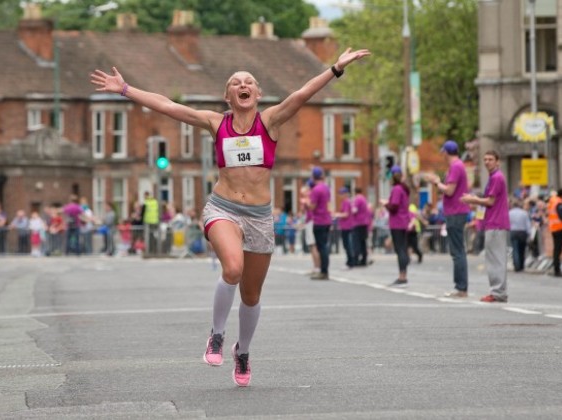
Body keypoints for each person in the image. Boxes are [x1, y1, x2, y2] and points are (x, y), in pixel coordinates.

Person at [90, 46, 371, 387]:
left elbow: (301, 95)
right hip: (223, 208)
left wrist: (336, 69)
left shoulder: (270, 121)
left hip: (259, 216)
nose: (243, 84)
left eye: (249, 81)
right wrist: (125, 89)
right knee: (233, 269)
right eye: (236, 82)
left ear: (258, 93)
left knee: (251, 296)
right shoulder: (215, 122)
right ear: (228, 96)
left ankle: (244, 351)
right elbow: (169, 106)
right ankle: (217, 334)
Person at [460, 150, 510, 303]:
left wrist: (473, 199)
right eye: (485, 159)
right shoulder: (494, 177)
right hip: (493, 222)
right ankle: (497, 291)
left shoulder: (496, 177)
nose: (487, 162)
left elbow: (490, 201)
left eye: (490, 159)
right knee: (494, 257)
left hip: (496, 223)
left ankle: (498, 292)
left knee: (496, 259)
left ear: (497, 161)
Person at [425, 140, 471, 297]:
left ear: (446, 152)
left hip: (455, 211)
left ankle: (461, 287)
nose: (442, 155)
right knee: (458, 250)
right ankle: (461, 286)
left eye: (442, 152)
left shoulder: (455, 166)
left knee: (457, 251)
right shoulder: (458, 166)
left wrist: (437, 182)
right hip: (456, 211)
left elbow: (450, 190)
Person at [382, 165, 410, 287]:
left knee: (400, 250)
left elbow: (394, 207)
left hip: (397, 222)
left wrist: (385, 204)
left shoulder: (396, 189)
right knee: (402, 248)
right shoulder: (403, 188)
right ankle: (403, 274)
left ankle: (402, 276)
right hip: (403, 221)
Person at [308, 166, 333, 280]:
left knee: (321, 247)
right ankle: (324, 270)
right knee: (324, 246)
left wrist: (306, 203)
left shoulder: (316, 189)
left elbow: (312, 206)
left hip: (319, 220)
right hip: (327, 219)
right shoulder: (326, 188)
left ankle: (323, 271)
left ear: (313, 177)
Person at [547, 188, 562, 277]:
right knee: (558, 250)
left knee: (556, 249)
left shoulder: (552, 201)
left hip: (553, 228)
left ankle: (556, 268)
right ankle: (557, 270)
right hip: (559, 228)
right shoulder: (559, 203)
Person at [300, 181, 320, 274]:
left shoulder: (310, 195)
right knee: (312, 245)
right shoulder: (310, 195)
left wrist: (305, 201)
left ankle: (317, 267)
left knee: (313, 245)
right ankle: (316, 267)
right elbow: (303, 210)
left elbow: (309, 206)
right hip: (310, 221)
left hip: (311, 221)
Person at [508, 199, 531, 272]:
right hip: (522, 232)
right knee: (522, 249)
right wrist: (529, 233)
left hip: (514, 231)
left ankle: (516, 265)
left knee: (515, 249)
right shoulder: (524, 213)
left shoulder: (510, 213)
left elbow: (508, 223)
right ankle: (521, 265)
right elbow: (528, 224)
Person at [335, 186, 355, 269]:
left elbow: (346, 214)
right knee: (346, 245)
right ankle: (349, 261)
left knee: (348, 245)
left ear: (346, 194)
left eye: (342, 194)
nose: (340, 195)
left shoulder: (346, 202)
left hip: (347, 226)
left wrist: (337, 215)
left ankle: (350, 262)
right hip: (344, 226)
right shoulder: (344, 202)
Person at [351, 187, 370, 266]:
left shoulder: (357, 199)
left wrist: (351, 208)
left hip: (357, 223)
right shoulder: (364, 199)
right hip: (364, 222)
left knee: (356, 242)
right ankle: (364, 259)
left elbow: (354, 210)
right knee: (363, 242)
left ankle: (356, 259)